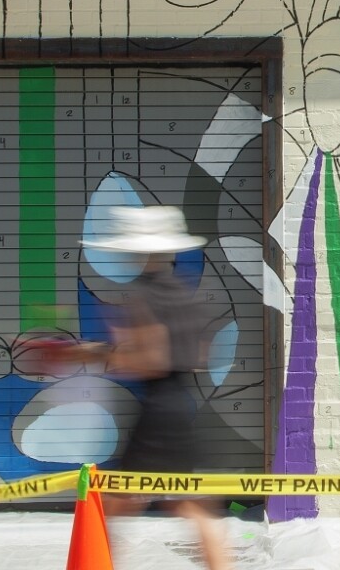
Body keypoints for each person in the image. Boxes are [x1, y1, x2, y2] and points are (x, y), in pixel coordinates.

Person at [74, 206, 232, 570]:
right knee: (187, 505)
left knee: (115, 503)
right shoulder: (183, 293)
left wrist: (98, 355)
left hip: (159, 411)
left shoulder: (143, 296)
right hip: (182, 406)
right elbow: (201, 353)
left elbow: (149, 360)